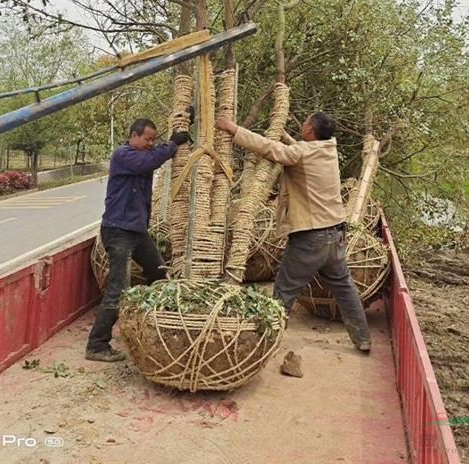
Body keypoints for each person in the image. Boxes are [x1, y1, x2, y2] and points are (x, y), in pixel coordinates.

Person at [216, 110, 371, 352]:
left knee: (285, 289)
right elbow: (297, 150)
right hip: (336, 234)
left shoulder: (301, 153)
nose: (303, 125)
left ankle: (267, 343)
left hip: (311, 236)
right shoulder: (327, 150)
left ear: (310, 130)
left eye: (305, 123)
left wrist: (233, 129)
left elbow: (271, 149)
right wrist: (285, 135)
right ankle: (363, 338)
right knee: (344, 288)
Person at [86, 118, 190, 362]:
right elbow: (150, 160)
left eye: (153, 139)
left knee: (159, 273)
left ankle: (155, 324)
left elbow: (154, 155)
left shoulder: (142, 154)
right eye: (147, 139)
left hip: (136, 230)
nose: (150, 143)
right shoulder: (124, 155)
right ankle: (97, 345)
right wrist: (172, 143)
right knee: (118, 289)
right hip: (118, 230)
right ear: (133, 136)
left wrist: (185, 121)